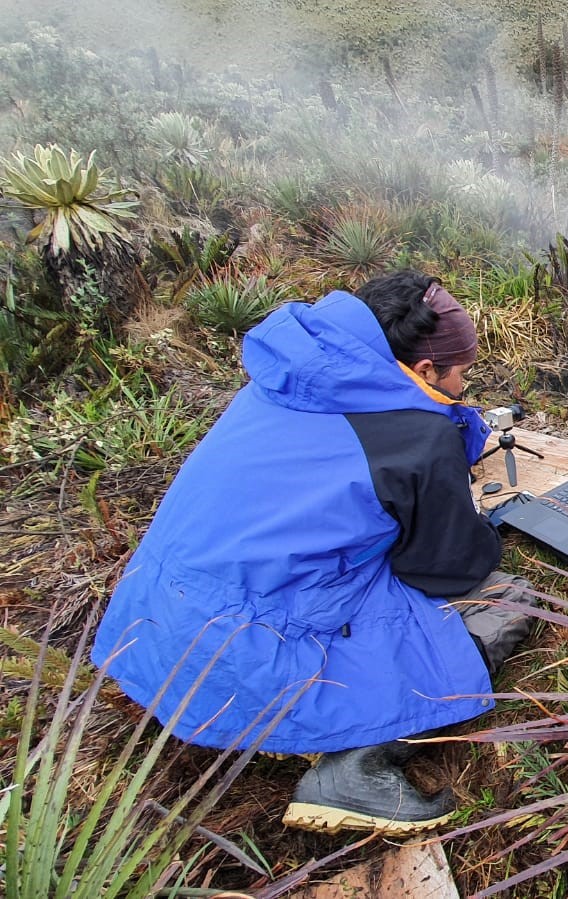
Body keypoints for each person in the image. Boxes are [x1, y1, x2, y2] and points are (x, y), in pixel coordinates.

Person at [92, 270, 536, 836]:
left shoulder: (286, 383)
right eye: (462, 374)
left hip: (153, 630)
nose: (464, 386)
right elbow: (446, 569)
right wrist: (467, 514)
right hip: (247, 660)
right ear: (424, 371)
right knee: (509, 599)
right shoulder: (420, 440)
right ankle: (356, 763)